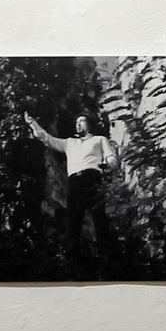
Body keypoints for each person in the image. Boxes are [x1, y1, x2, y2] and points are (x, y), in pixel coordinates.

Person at [24, 110, 118, 261]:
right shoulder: (69, 143)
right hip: (74, 181)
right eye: (76, 122)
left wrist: (108, 165)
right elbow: (47, 139)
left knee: (99, 215)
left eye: (81, 121)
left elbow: (111, 156)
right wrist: (32, 123)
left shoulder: (99, 139)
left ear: (89, 125)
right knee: (73, 217)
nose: (78, 125)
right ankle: (72, 256)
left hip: (92, 177)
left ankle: (106, 254)